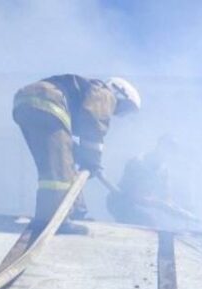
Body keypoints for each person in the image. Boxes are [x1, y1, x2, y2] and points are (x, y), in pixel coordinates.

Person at [12, 74, 141, 232]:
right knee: (60, 171)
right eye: (125, 108)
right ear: (120, 93)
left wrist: (82, 155)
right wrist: (93, 159)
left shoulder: (86, 91)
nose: (118, 113)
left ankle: (73, 211)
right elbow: (94, 122)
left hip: (25, 102)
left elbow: (75, 137)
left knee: (53, 165)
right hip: (48, 102)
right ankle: (55, 220)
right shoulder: (105, 93)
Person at [106, 135, 184, 226]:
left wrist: (174, 208)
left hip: (138, 205)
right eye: (167, 146)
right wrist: (160, 205)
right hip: (120, 201)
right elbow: (134, 195)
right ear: (159, 145)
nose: (169, 151)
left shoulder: (164, 170)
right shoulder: (138, 162)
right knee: (150, 222)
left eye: (172, 149)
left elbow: (166, 194)